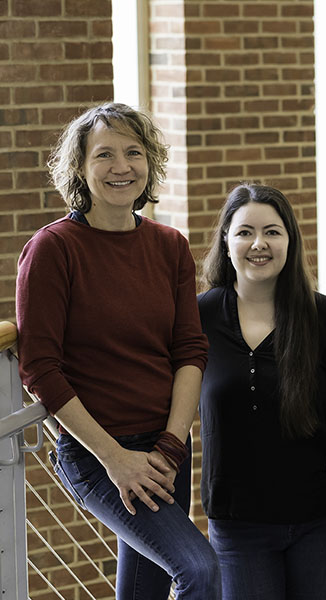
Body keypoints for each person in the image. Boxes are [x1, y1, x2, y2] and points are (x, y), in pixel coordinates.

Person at [15, 102, 220, 599]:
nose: (121, 166)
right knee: (199, 570)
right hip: (97, 453)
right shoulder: (53, 249)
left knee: (146, 588)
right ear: (80, 169)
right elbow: (39, 368)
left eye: (134, 152)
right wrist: (115, 459)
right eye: (103, 154)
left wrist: (171, 444)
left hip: (167, 448)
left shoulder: (169, 246)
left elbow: (189, 351)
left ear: (150, 164)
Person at [197, 183, 326, 600]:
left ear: (290, 240)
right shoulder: (198, 317)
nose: (259, 244)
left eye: (273, 231)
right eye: (245, 232)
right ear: (226, 239)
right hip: (237, 526)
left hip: (319, 522)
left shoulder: (322, 316)